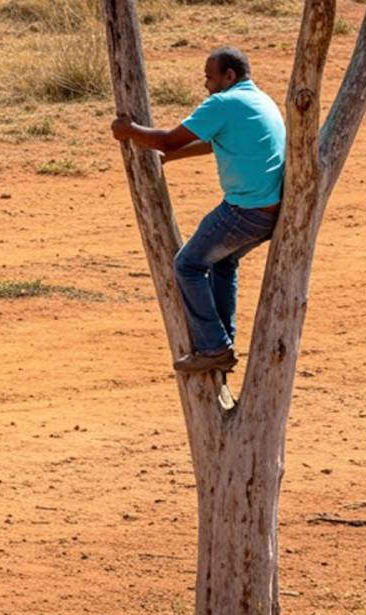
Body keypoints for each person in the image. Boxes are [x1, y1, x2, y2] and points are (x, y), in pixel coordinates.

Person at [109, 46, 286, 373]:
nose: (205, 84)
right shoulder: (259, 100)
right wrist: (174, 157)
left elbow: (167, 139)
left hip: (245, 211)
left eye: (209, 77)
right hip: (270, 211)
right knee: (223, 262)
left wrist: (129, 131)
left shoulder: (224, 103)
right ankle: (223, 340)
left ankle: (214, 346)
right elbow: (213, 142)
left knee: (188, 265)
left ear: (228, 77)